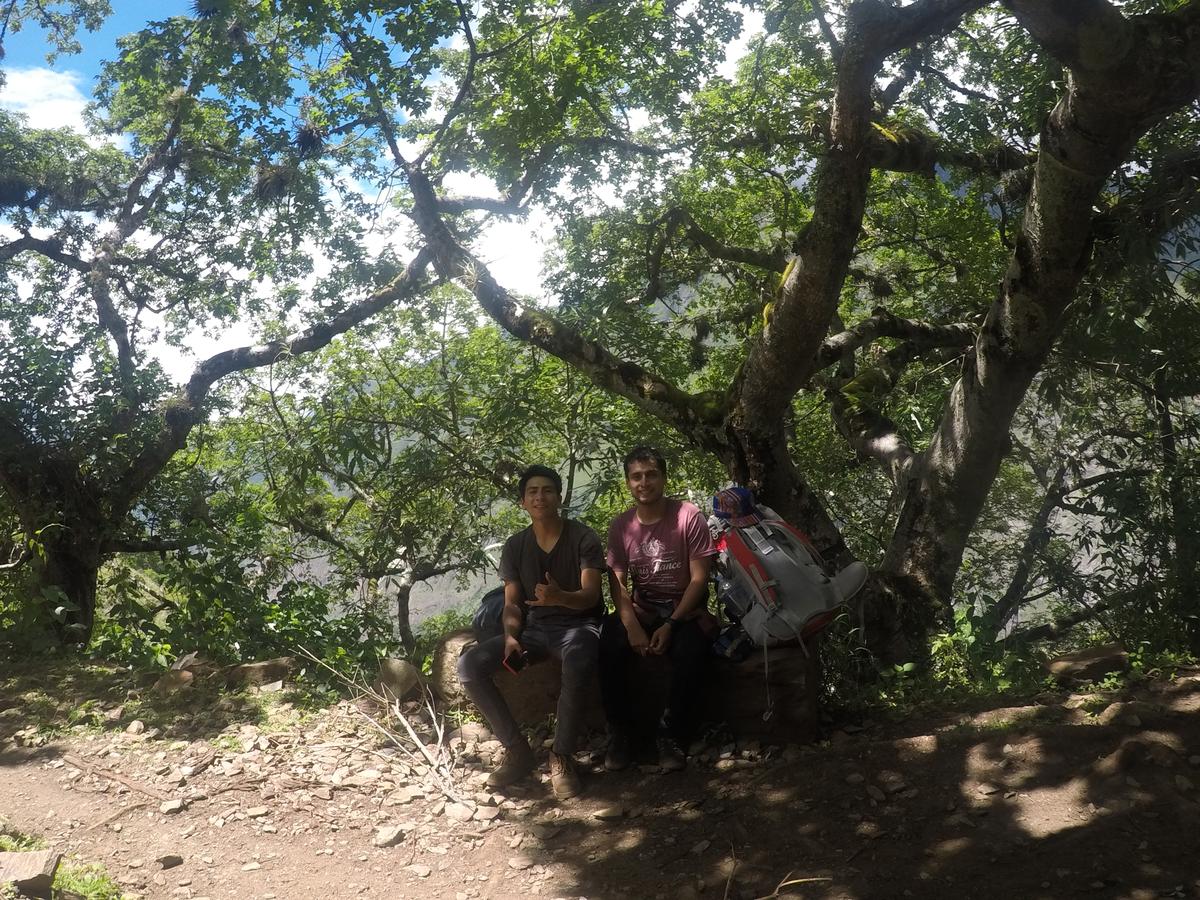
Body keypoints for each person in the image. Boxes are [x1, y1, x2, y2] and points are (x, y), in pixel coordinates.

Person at [457, 465, 605, 800]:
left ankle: (562, 755)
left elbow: (591, 596)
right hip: (536, 629)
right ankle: (518, 751)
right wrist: (511, 636)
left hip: (580, 625)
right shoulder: (516, 546)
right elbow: (512, 603)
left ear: (559, 496)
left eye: (547, 490)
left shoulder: (583, 538)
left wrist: (560, 597)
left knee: (581, 657)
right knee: (469, 666)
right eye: (532, 491)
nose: (540, 497)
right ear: (523, 501)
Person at [600, 446, 716, 772]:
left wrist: (673, 624)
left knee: (691, 651)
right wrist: (632, 627)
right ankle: (621, 732)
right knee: (609, 640)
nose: (644, 482)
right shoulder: (621, 526)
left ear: (663, 478)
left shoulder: (687, 517)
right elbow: (617, 583)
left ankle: (672, 733)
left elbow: (699, 579)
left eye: (651, 474)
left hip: (684, 610)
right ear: (627, 483)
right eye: (636, 476)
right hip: (644, 609)